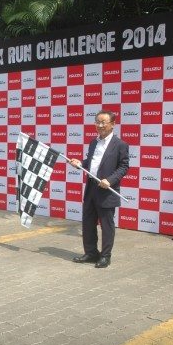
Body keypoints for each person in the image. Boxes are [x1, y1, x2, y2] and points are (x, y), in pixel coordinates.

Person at [68, 110, 129, 268]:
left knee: (107, 225)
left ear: (113, 124)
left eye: (103, 122)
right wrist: (80, 163)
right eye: (97, 122)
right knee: (88, 223)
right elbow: (91, 162)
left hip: (106, 191)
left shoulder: (120, 145)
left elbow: (124, 167)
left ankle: (105, 256)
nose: (100, 125)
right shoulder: (93, 142)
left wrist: (110, 180)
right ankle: (91, 253)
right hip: (91, 189)